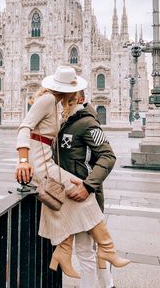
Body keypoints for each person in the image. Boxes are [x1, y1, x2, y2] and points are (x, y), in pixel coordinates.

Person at [15, 65, 130, 279]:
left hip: (45, 161)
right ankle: (105, 249)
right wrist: (23, 161)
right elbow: (24, 127)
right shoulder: (49, 100)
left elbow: (106, 155)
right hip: (41, 164)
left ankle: (64, 253)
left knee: (69, 203)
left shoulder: (62, 108)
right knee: (84, 199)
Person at [54, 89, 119, 287]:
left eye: (68, 99)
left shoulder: (88, 123)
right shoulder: (67, 122)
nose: (63, 104)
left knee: (84, 250)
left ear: (81, 99)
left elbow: (108, 156)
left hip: (84, 197)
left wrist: (88, 186)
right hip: (70, 196)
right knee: (89, 248)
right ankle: (108, 285)